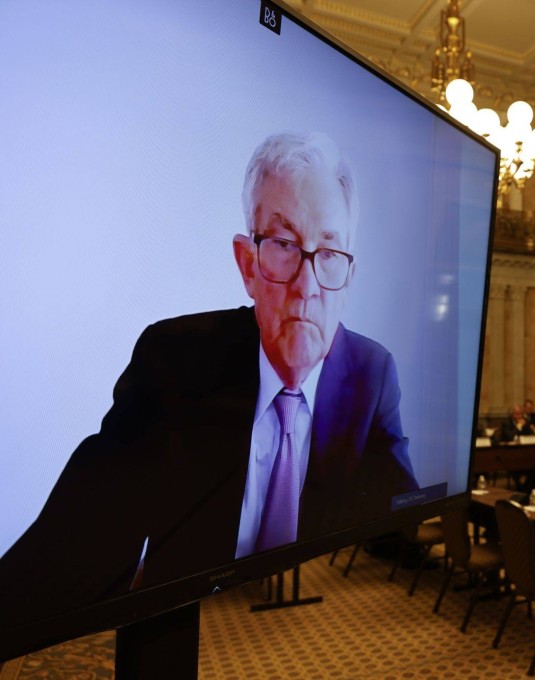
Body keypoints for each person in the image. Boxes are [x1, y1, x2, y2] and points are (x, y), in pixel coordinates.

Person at [0, 132, 419, 625]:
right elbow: (77, 539)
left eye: (328, 254)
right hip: (192, 635)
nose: (307, 287)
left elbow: (402, 526)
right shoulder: (176, 362)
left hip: (312, 630)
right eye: (284, 245)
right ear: (247, 264)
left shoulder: (371, 373)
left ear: (347, 275)